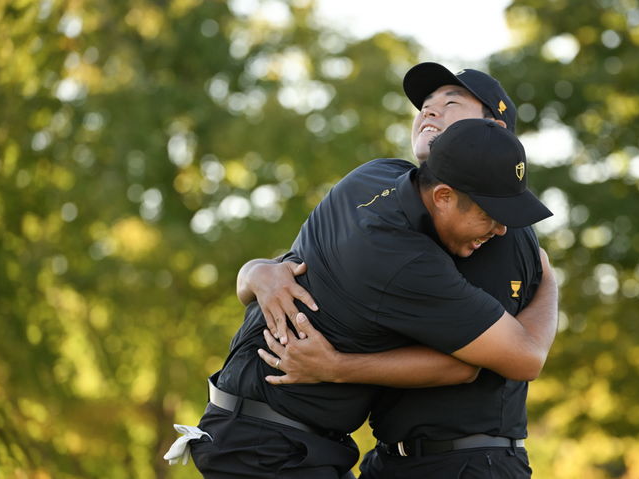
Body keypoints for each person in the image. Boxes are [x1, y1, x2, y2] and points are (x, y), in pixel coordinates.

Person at [168, 115, 557, 478]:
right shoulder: (406, 264)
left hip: (260, 433)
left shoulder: (375, 175)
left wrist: (255, 271)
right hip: (271, 452)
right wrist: (547, 280)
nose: (501, 230)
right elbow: (524, 359)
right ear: (442, 196)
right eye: (489, 215)